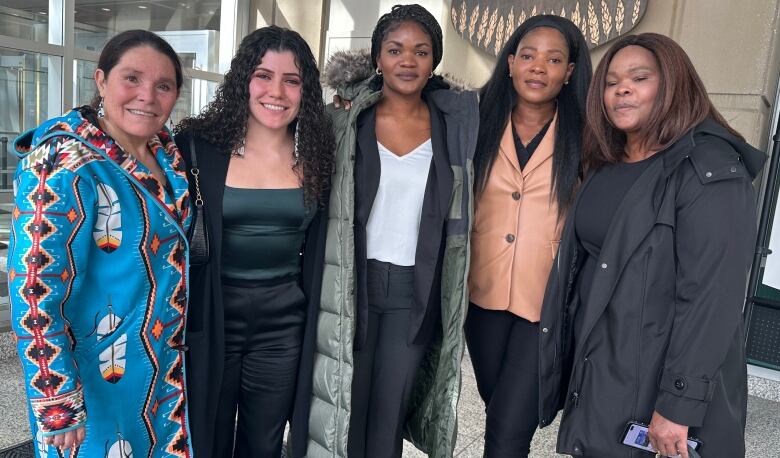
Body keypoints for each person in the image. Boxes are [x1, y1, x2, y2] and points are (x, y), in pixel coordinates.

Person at [538, 33, 766, 457]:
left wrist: (678, 404)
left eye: (639, 78)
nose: (621, 89)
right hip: (603, 370)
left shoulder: (710, 171)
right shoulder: (605, 163)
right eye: (611, 82)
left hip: (658, 379)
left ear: (673, 85)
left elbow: (711, 300)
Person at [8, 30, 192, 457]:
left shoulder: (168, 155)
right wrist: (57, 400)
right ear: (101, 80)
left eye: (162, 86)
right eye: (132, 78)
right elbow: (33, 288)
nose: (146, 95)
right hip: (93, 376)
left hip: (160, 375)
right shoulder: (63, 161)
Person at [306, 4, 477, 458]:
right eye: (395, 50)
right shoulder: (344, 119)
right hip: (349, 282)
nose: (408, 60)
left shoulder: (453, 126)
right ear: (377, 58)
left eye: (421, 52)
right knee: (346, 406)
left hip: (413, 289)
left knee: (389, 411)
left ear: (434, 61)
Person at [174, 26, 333, 458]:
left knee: (264, 443)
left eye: (292, 80)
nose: (276, 91)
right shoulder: (196, 147)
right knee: (207, 436)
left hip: (283, 324)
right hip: (211, 316)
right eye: (264, 75)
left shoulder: (320, 155)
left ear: (306, 91)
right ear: (244, 79)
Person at [465, 15, 591, 458]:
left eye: (554, 59)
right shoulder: (473, 118)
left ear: (569, 72)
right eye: (529, 56)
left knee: (507, 433)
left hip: (545, 307)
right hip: (480, 297)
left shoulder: (589, 135)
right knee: (496, 407)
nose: (539, 68)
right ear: (511, 63)